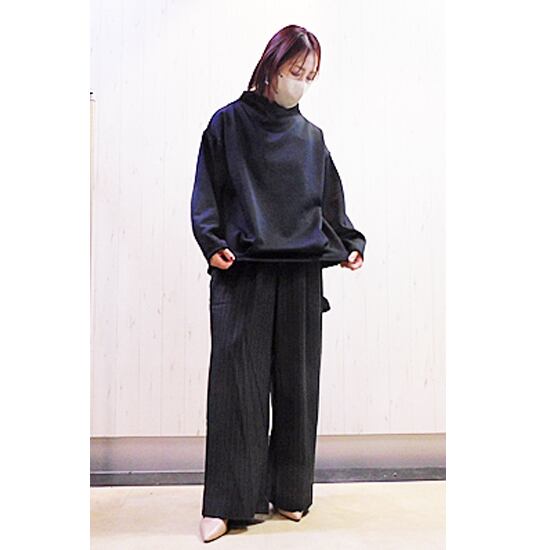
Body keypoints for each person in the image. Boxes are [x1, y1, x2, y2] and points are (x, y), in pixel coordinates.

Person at [190, 24, 366, 543]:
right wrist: (210, 241)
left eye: (310, 75)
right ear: (271, 66)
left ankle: (290, 492)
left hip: (300, 275)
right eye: (295, 71)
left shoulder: (311, 138)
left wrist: (350, 244)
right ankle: (228, 503)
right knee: (236, 389)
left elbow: (329, 203)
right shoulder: (227, 124)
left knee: (297, 386)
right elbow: (207, 192)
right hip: (242, 269)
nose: (301, 83)